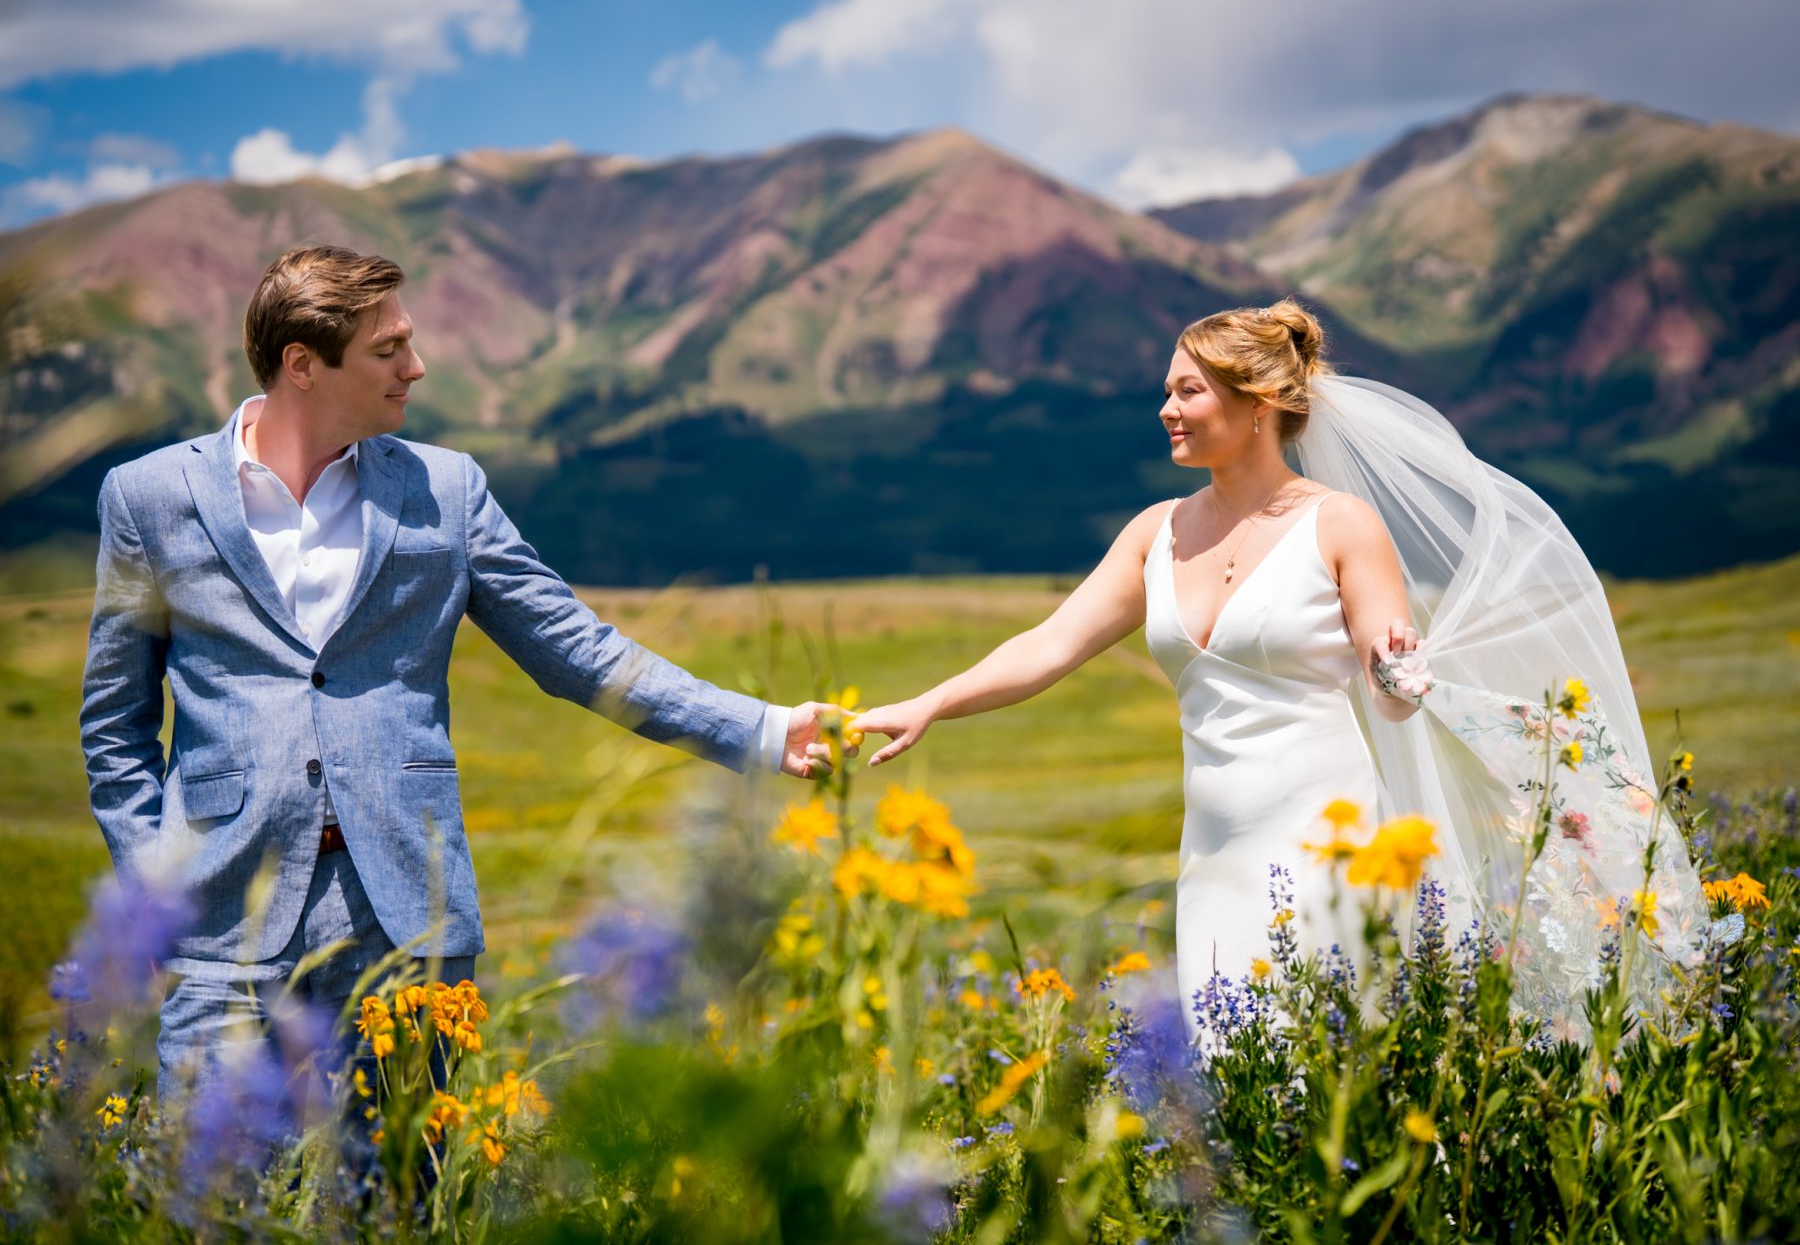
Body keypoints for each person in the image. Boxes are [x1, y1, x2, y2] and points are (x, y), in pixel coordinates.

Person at [79, 245, 847, 1104]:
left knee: (407, 1185)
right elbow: (114, 726)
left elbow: (579, 650)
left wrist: (765, 730)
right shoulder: (148, 498)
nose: (415, 366)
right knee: (205, 1184)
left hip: (409, 921)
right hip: (219, 924)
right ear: (303, 363)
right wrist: (152, 891)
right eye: (388, 350)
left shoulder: (448, 490)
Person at [853, 298, 1707, 1041]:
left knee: (1331, 1079)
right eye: (1168, 391)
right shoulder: (1155, 532)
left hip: (1329, 846)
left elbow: (1394, 696)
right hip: (1213, 855)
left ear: (1257, 404)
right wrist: (929, 703)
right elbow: (1048, 645)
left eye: (1188, 391)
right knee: (1238, 1084)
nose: (1166, 410)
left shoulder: (1341, 525)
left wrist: (1395, 670)